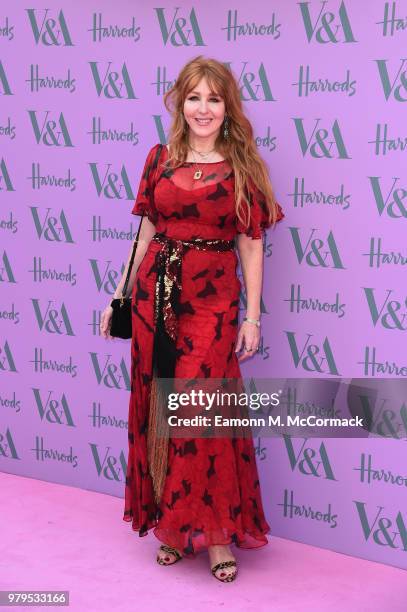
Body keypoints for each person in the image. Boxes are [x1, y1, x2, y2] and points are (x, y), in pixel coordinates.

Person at [100, 55, 284, 583]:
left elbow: (252, 243)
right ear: (180, 102)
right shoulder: (159, 158)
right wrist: (118, 292)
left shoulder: (244, 167)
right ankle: (174, 527)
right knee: (162, 410)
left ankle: (218, 534)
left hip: (212, 303)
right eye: (194, 97)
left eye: (214, 98)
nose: (203, 108)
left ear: (228, 108)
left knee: (201, 412)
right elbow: (148, 231)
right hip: (152, 301)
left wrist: (252, 316)